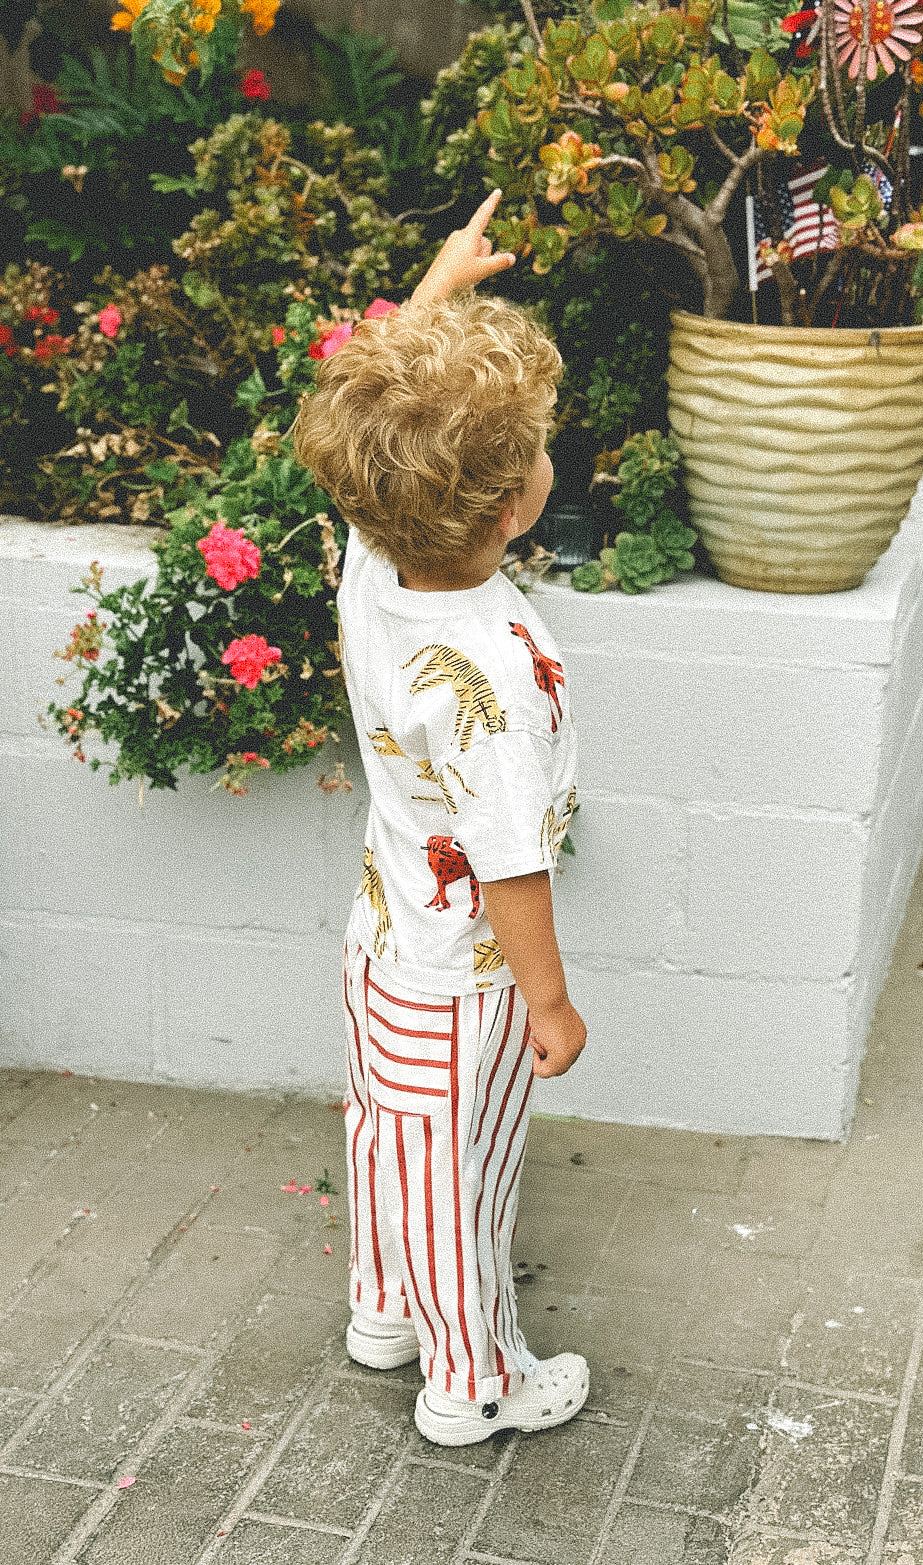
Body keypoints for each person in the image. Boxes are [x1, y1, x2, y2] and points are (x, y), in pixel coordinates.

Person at [292, 192, 589, 1448]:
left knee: (387, 1135)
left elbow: (387, 430)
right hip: (467, 977)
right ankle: (473, 1382)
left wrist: (436, 290)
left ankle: (382, 1309)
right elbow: (514, 859)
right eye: (533, 447)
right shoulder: (494, 668)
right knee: (462, 1179)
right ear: (510, 505)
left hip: (383, 939)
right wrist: (550, 1001)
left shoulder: (374, 564)